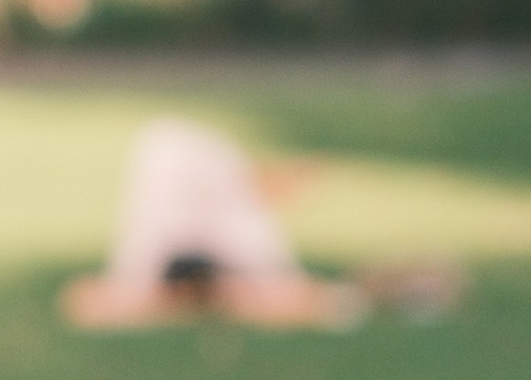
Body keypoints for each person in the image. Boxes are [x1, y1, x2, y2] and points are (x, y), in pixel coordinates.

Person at [62, 119, 363, 332]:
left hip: (175, 184)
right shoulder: (227, 190)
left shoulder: (221, 184)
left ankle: (190, 296)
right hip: (175, 181)